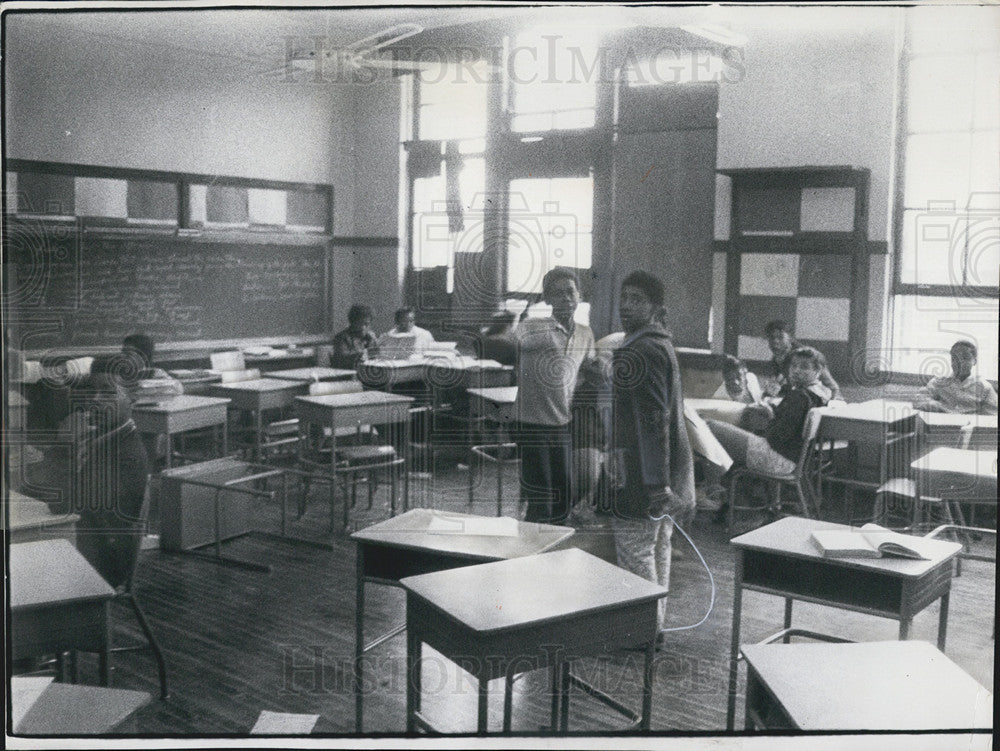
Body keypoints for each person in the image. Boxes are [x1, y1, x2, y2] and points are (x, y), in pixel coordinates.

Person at [608, 271, 696, 641]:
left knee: (635, 549)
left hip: (642, 473)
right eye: (624, 298)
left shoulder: (640, 349)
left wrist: (655, 483)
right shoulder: (659, 344)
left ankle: (642, 632)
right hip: (661, 471)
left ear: (656, 308)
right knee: (658, 544)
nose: (626, 306)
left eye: (637, 300)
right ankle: (652, 627)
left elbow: (653, 421)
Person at [512, 268, 595, 524]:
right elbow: (507, 346)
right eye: (557, 294)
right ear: (546, 299)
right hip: (531, 425)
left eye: (570, 292)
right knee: (542, 501)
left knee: (563, 497)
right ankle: (526, 559)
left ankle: (553, 555)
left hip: (562, 424)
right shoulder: (533, 328)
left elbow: (586, 370)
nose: (566, 298)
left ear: (579, 295)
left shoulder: (585, 333)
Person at [704, 346, 831, 507]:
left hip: (777, 459)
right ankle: (725, 495)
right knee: (727, 438)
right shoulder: (821, 393)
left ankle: (714, 493)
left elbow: (776, 438)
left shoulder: (799, 396)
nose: (796, 370)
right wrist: (774, 413)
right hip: (796, 460)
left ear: (818, 370)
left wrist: (770, 417)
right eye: (793, 365)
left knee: (709, 426)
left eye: (804, 367)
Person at [915, 340, 998, 415]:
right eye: (955, 358)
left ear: (974, 361)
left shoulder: (985, 388)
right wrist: (937, 406)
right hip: (941, 426)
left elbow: (993, 413)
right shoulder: (938, 382)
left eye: (965, 358)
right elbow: (919, 401)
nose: (959, 362)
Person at [764, 320, 841, 400]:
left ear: (790, 338)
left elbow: (833, 388)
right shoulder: (775, 360)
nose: (775, 341)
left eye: (780, 337)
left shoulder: (808, 356)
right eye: (771, 337)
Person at [331, 304, 378, 369]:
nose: (363, 327)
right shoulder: (342, 337)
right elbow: (342, 360)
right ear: (352, 322)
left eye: (366, 324)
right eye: (359, 323)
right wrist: (365, 354)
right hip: (347, 375)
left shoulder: (370, 338)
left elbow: (376, 358)